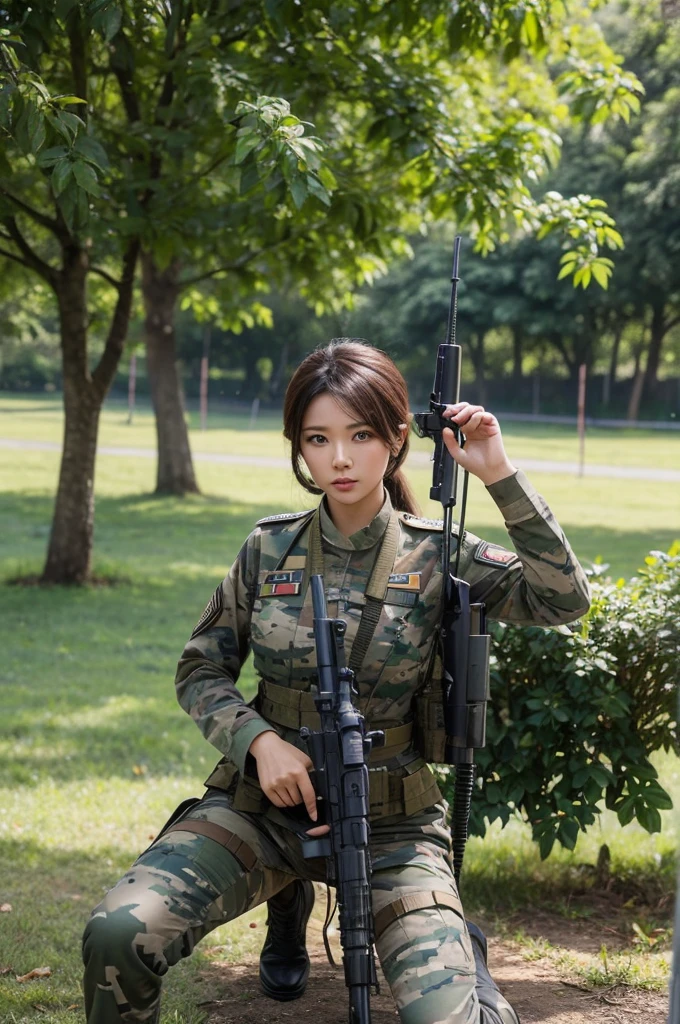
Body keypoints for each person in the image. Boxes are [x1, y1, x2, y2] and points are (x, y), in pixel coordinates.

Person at [82, 339, 590, 1024]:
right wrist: (260, 743)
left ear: (396, 438)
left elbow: (563, 599)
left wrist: (498, 472)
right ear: (299, 445)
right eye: (318, 438)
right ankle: (287, 899)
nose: (340, 459)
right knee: (117, 933)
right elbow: (201, 668)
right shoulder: (269, 548)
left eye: (359, 435)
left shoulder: (438, 553)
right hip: (263, 811)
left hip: (392, 823)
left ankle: (472, 976)